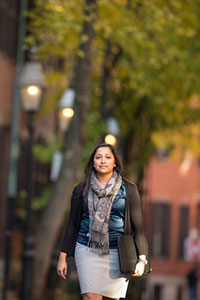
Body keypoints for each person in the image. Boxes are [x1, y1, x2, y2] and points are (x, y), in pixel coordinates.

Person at [57, 143, 149, 300]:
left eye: (107, 157)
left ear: (115, 162)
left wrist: (142, 259)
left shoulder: (129, 190)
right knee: (90, 296)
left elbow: (137, 227)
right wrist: (62, 257)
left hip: (117, 253)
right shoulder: (81, 190)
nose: (103, 161)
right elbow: (72, 224)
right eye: (98, 157)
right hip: (86, 249)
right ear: (93, 162)